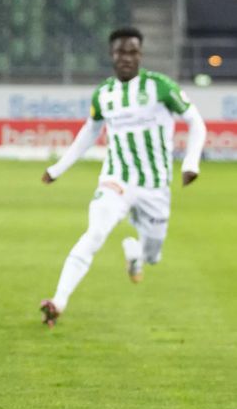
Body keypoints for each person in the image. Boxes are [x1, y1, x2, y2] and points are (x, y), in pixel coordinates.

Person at [40, 27, 206, 328]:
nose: (126, 58)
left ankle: (137, 255)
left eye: (132, 52)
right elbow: (89, 132)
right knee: (95, 233)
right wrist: (57, 169)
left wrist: (191, 163)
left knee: (154, 255)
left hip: (155, 186)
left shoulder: (160, 87)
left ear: (140, 55)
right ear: (111, 55)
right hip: (116, 179)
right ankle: (58, 301)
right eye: (121, 52)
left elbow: (196, 121)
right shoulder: (104, 94)